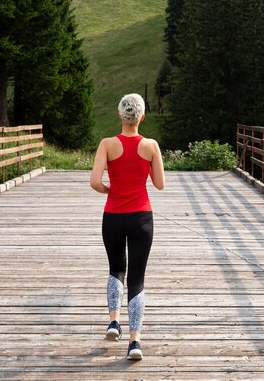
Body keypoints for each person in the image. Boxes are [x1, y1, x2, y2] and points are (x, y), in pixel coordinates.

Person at [90, 93, 165, 360]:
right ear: (141, 116)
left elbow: (95, 182)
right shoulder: (151, 146)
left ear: (120, 115)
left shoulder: (107, 144)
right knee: (137, 279)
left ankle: (113, 322)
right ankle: (135, 342)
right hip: (141, 218)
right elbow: (159, 184)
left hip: (113, 215)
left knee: (115, 269)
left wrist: (111, 189)